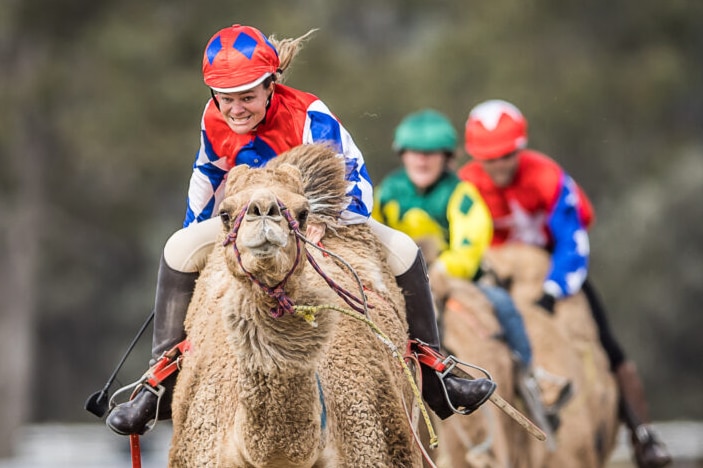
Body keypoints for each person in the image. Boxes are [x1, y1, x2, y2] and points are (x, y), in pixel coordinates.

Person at [105, 24, 495, 436]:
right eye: (226, 99)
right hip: (247, 223)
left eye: (247, 98)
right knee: (176, 249)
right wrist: (202, 233)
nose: (235, 109)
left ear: (270, 86)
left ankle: (436, 375)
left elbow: (356, 179)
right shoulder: (212, 118)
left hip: (316, 221)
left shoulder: (311, 115)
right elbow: (207, 176)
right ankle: (161, 380)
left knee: (405, 251)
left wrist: (323, 221)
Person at [458, 99, 671, 468]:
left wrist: (555, 289)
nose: (497, 165)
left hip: (550, 276)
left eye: (505, 156)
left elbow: (573, 241)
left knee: (609, 344)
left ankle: (643, 434)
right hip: (493, 279)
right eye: (488, 158)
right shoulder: (465, 185)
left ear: (519, 148)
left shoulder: (548, 177)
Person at [372, 109, 569, 435]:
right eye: (415, 153)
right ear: (403, 155)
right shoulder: (388, 193)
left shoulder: (460, 193)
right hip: (399, 283)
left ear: (446, 157)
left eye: (431, 154)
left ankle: (533, 379)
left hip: (459, 281)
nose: (422, 161)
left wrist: (443, 271)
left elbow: (470, 241)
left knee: (504, 306)